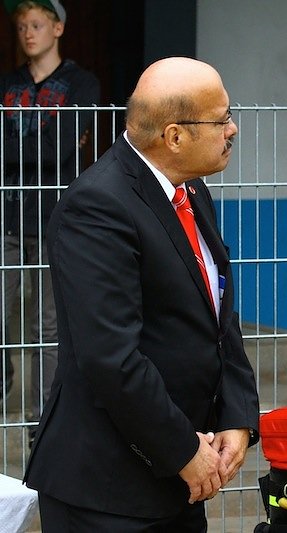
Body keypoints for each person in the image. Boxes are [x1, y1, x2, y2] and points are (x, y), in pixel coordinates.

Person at [24, 56, 260, 532]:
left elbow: (218, 315)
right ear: (174, 136)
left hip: (179, 482)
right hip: (108, 493)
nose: (232, 129)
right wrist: (182, 450)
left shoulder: (189, 190)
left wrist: (237, 416)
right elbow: (110, 358)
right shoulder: (97, 207)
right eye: (222, 119)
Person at [1, 0, 99, 427]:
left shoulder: (81, 84)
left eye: (37, 24)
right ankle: (3, 384)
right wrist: (48, 150)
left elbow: (59, 148)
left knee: (47, 328)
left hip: (55, 220)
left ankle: (47, 421)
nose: (27, 33)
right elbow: (53, 147)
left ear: (58, 28)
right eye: (21, 25)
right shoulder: (8, 83)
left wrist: (25, 151)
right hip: (6, 217)